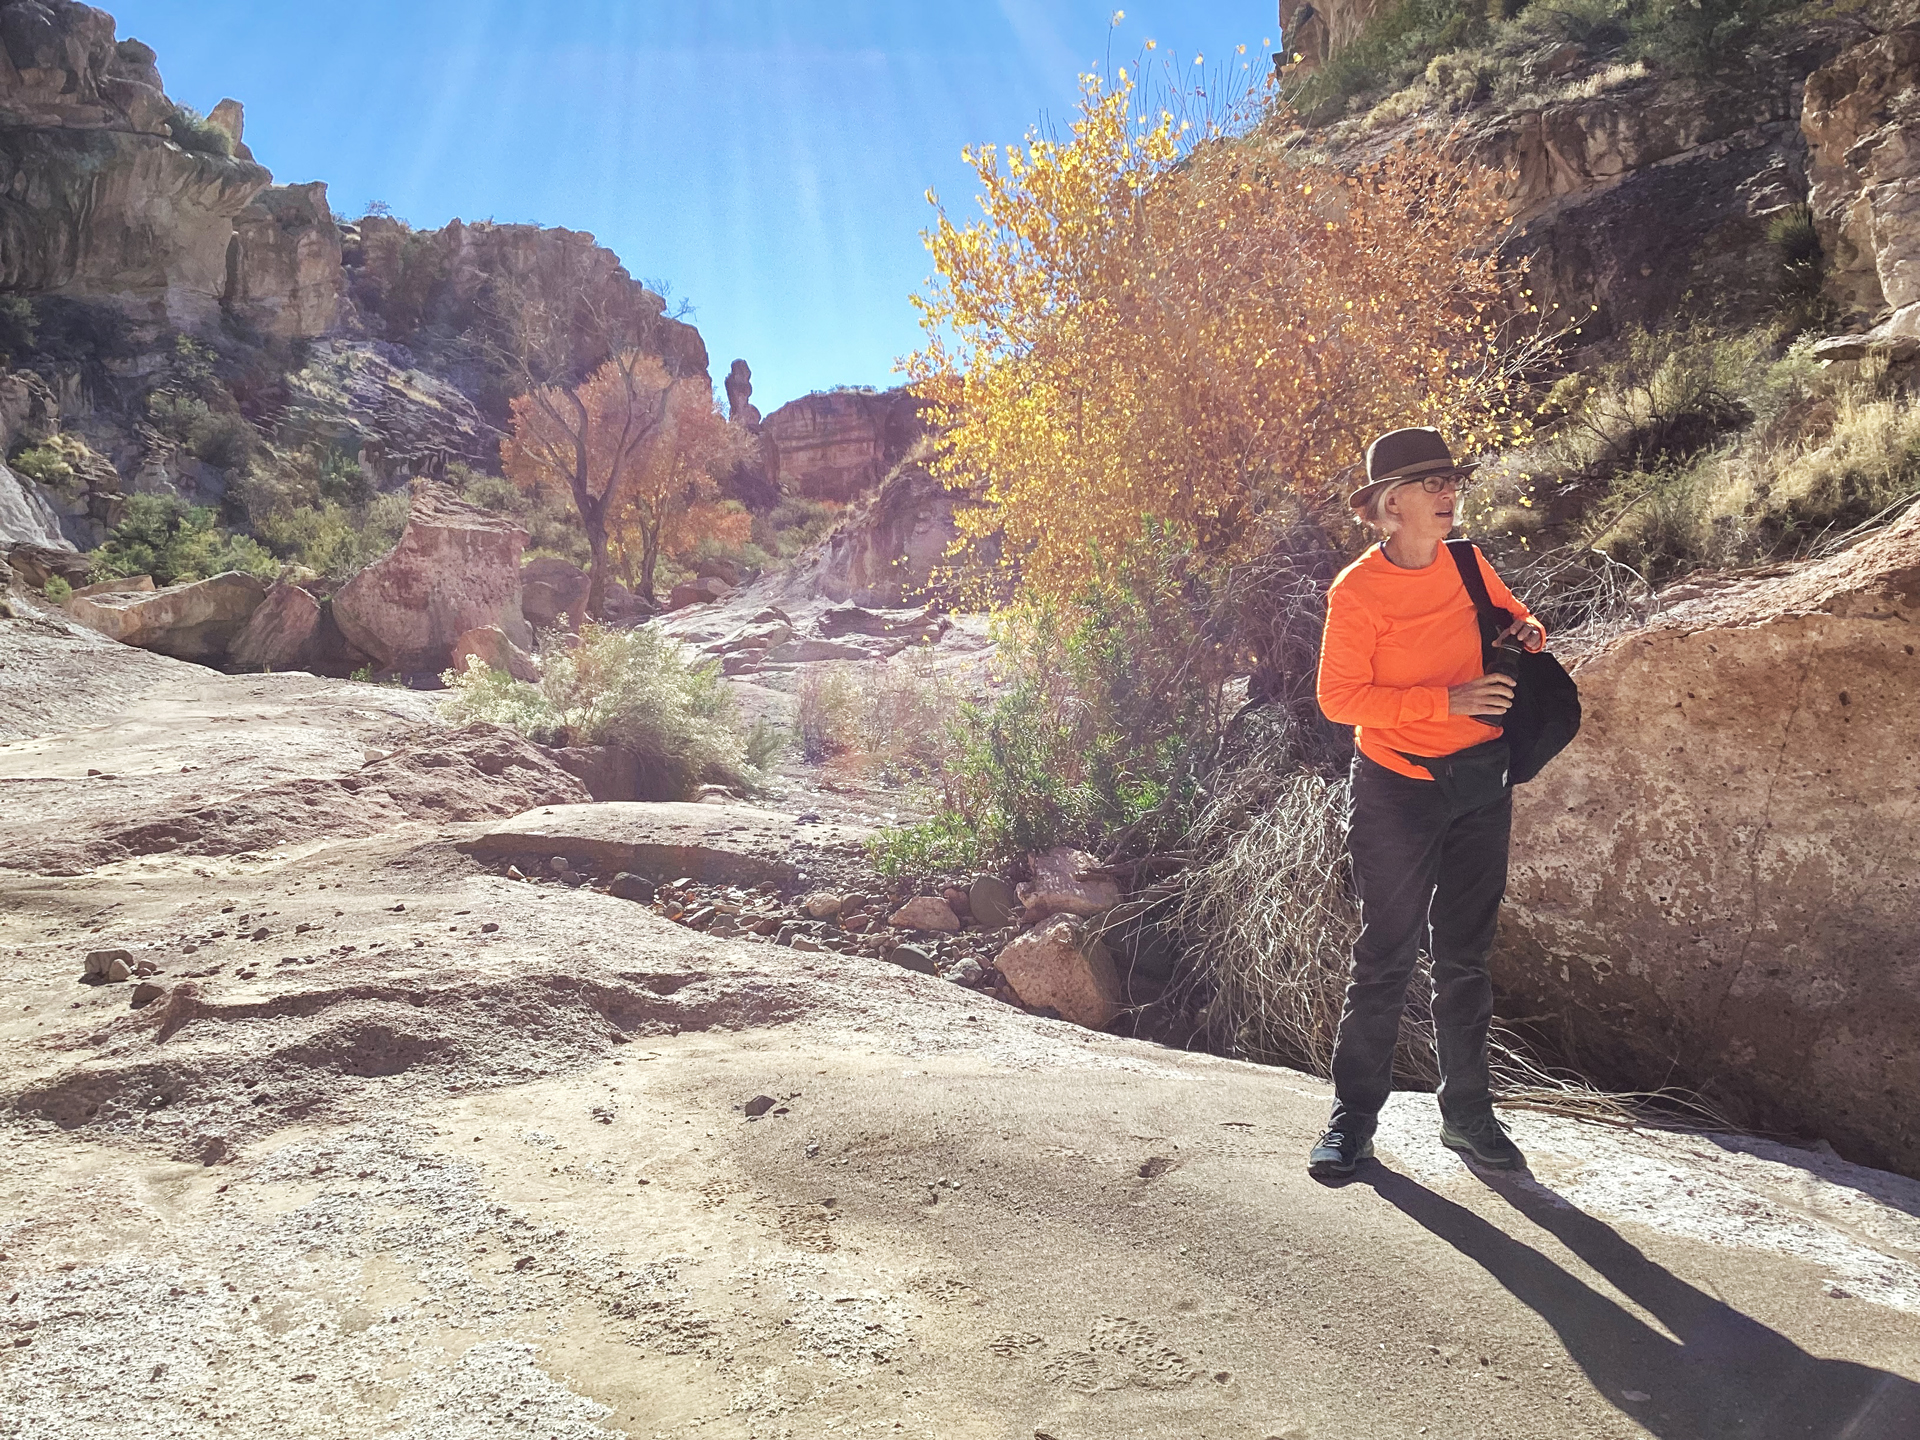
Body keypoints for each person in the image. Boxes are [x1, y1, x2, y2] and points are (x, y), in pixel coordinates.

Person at [1307, 427, 1545, 1180]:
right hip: (1396, 790)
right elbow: (1340, 699)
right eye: (1431, 484)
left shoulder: (1469, 562)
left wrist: (1527, 632)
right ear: (1390, 504)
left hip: (1480, 785)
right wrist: (1448, 701)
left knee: (1465, 958)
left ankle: (1468, 1116)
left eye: (1451, 482)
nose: (1449, 494)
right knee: (1386, 955)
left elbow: (1517, 614)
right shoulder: (1357, 591)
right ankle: (1353, 1119)